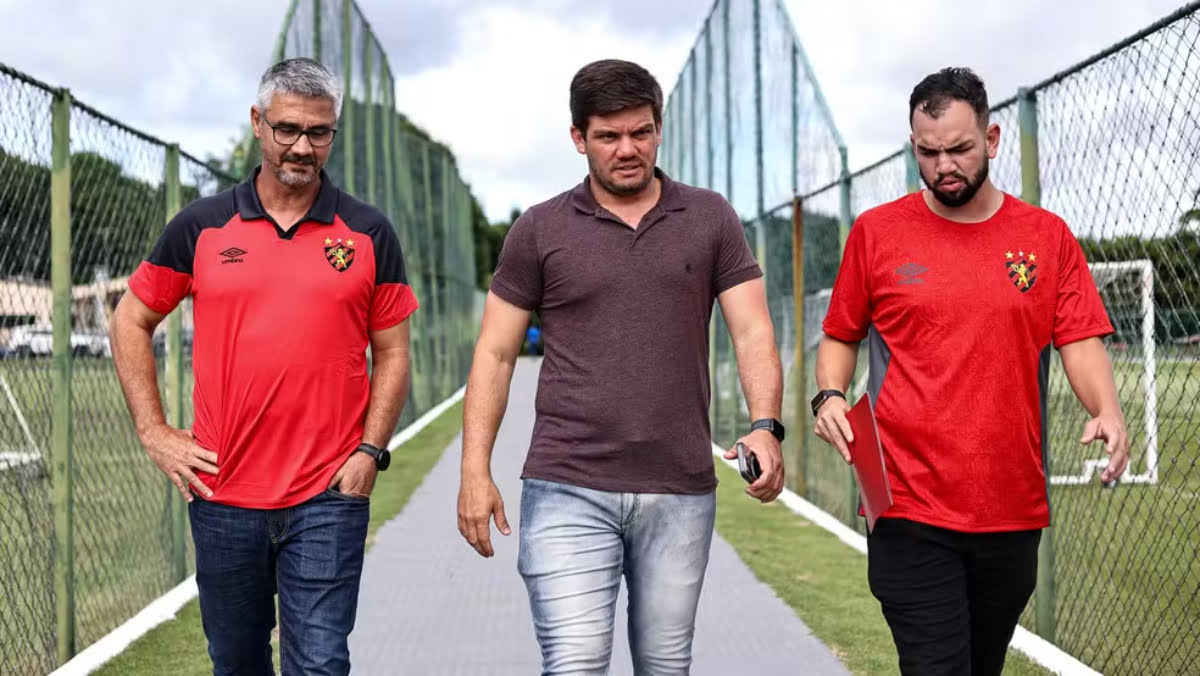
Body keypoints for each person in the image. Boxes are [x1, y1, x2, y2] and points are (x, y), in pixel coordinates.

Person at [456, 58, 786, 674]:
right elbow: (496, 354)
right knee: (575, 662)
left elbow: (752, 328)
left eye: (641, 132)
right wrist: (475, 469)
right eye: (608, 136)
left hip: (680, 487)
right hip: (566, 483)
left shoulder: (710, 217)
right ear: (579, 138)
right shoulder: (539, 230)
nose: (627, 149)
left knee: (665, 665)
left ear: (659, 129)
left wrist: (766, 425)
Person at [813, 66, 1130, 676]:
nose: (944, 165)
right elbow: (840, 337)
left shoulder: (1047, 238)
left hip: (1011, 509)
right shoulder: (876, 234)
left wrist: (1106, 409)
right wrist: (828, 394)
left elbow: (1081, 341)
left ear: (992, 139)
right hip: (904, 504)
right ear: (914, 147)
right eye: (928, 153)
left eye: (959, 148)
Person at [109, 57, 418, 676]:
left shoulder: (368, 232)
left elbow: (393, 353)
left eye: (319, 132)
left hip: (329, 495)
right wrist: (154, 432)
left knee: (322, 663)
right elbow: (129, 320)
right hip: (222, 493)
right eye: (287, 129)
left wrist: (369, 452)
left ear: (334, 132)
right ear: (257, 123)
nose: (302, 147)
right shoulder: (200, 227)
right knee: (238, 662)